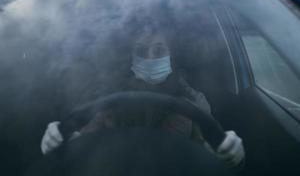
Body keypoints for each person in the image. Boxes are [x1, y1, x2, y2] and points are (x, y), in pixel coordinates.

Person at [41, 32, 245, 168]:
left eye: (159, 50)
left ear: (171, 55)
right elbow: (83, 141)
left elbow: (208, 154)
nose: (149, 57)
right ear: (131, 56)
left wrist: (229, 154)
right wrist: (58, 140)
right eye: (141, 50)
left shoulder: (194, 100)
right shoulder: (109, 98)